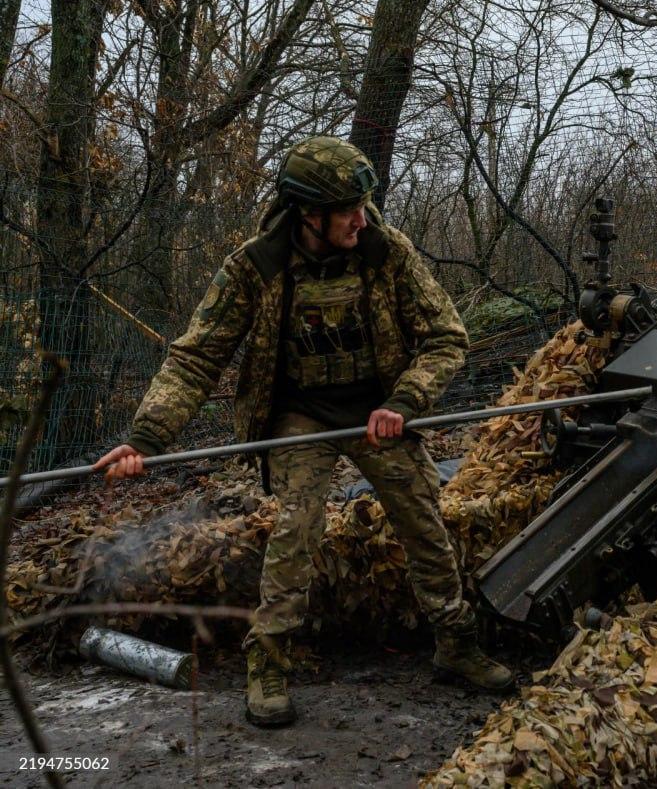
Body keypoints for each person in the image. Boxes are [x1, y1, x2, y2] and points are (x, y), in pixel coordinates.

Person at [94, 136, 513, 728]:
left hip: (377, 409)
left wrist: (405, 399)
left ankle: (457, 642)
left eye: (364, 207)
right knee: (297, 525)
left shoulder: (387, 252)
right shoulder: (254, 267)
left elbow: (447, 337)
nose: (361, 219)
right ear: (307, 214)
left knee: (423, 516)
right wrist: (147, 439)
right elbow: (195, 358)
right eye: (348, 210)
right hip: (300, 416)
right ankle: (267, 662)